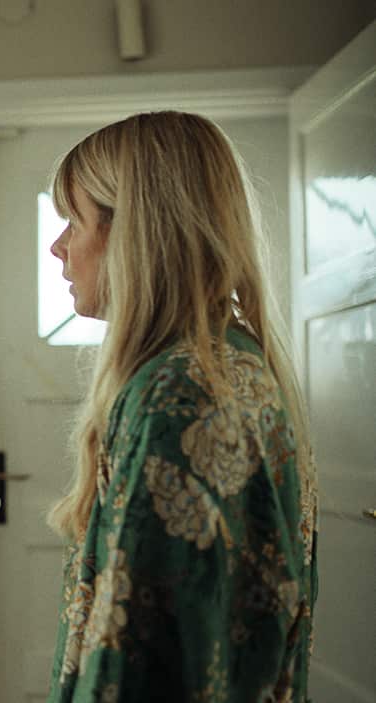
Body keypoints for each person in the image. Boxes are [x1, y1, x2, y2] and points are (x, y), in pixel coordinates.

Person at [44, 111, 318, 702]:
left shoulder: (181, 397)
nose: (57, 246)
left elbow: (142, 661)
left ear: (134, 232)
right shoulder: (221, 361)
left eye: (74, 220)